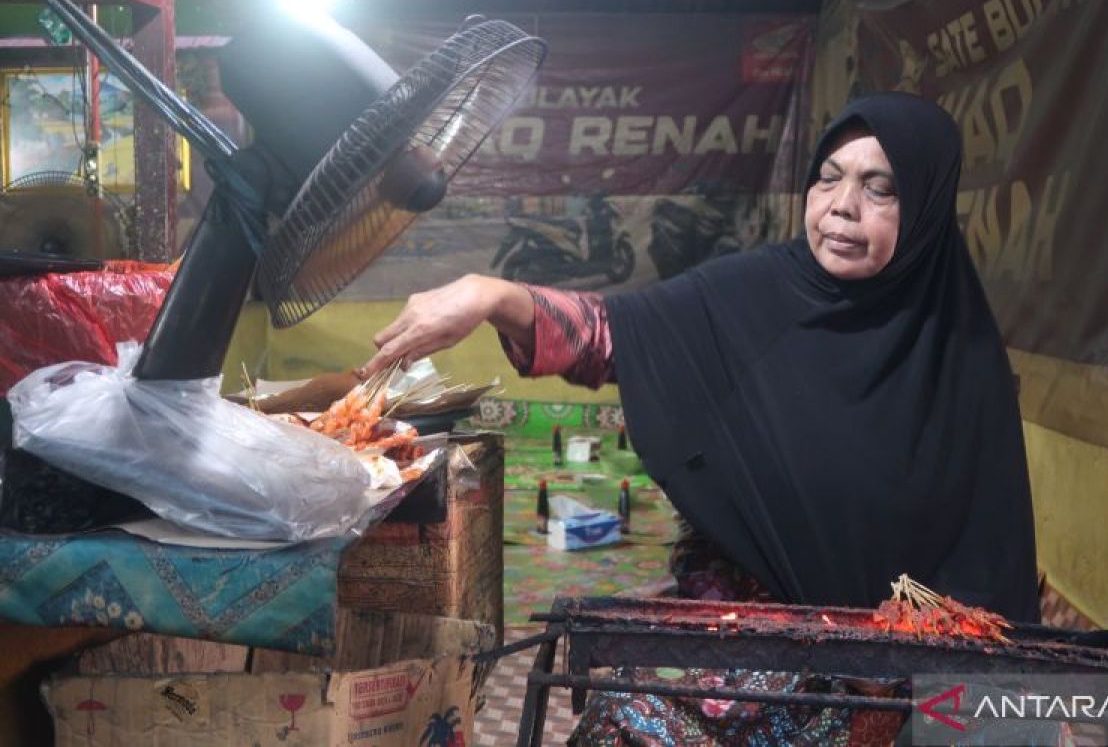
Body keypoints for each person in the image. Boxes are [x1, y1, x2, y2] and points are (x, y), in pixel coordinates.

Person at [363, 92, 1040, 745]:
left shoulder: (960, 364)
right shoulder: (751, 294)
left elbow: (984, 586)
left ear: (925, 209)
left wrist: (907, 682)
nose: (841, 206)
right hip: (743, 646)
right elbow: (612, 335)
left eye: (880, 189)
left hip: (883, 688)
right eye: (828, 177)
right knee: (625, 723)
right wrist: (488, 294)